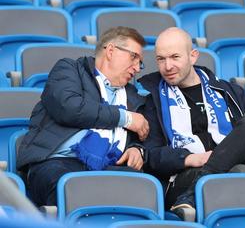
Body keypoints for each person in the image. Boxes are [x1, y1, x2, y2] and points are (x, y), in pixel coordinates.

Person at [139, 27, 245, 221]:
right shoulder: (153, 99)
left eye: (175, 57)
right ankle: (198, 186)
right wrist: (188, 158)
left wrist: (230, 152)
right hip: (183, 176)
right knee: (240, 173)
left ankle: (195, 192)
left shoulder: (230, 92)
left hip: (236, 167)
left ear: (193, 56)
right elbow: (151, 155)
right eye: (161, 59)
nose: (167, 66)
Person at [17, 26, 149, 206]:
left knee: (142, 190)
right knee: (72, 190)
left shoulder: (132, 95)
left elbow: (141, 133)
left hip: (109, 167)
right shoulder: (70, 70)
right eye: (133, 57)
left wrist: (136, 148)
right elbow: (69, 108)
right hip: (58, 161)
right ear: (110, 51)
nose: (137, 68)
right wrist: (124, 117)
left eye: (140, 62)